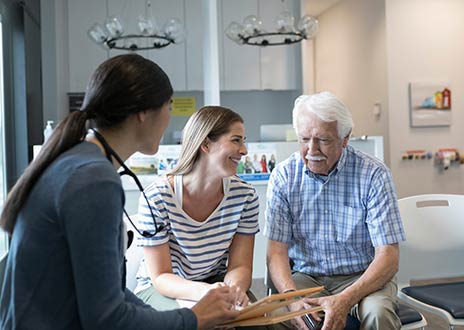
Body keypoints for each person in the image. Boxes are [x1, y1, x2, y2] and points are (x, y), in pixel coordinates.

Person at [0, 54, 240, 330]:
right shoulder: (94, 180)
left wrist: (174, 317)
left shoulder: (79, 162)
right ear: (142, 113)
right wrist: (195, 319)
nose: (170, 117)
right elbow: (106, 319)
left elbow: (107, 291)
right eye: (168, 106)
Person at [264, 92, 406, 330]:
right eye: (304, 139)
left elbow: (388, 256)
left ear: (345, 138)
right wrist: (292, 298)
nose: (312, 149)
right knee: (275, 317)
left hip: (362, 276)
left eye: (323, 140)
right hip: (305, 277)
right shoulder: (284, 176)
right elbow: (276, 252)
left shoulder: (373, 175)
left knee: (377, 314)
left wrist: (345, 299)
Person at [134, 106, 259, 312]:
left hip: (214, 283)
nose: (244, 151)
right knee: (190, 324)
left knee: (254, 323)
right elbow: (161, 277)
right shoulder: (156, 197)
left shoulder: (245, 196)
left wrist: (233, 291)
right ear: (206, 144)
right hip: (162, 289)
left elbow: (240, 266)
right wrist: (207, 296)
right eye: (236, 140)